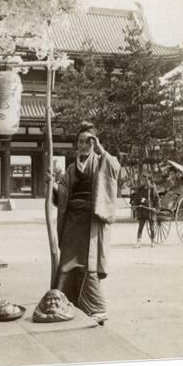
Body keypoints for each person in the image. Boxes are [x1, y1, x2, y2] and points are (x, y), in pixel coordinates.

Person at [48, 121, 120, 327]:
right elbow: (61, 195)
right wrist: (51, 186)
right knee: (67, 264)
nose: (83, 146)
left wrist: (102, 150)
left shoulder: (101, 161)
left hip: (90, 221)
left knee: (88, 266)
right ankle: (65, 302)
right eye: (80, 142)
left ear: (94, 144)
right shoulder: (71, 168)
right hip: (72, 221)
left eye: (88, 142)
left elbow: (115, 169)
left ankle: (97, 308)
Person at [130, 174, 160, 248]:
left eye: (144, 180)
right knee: (140, 227)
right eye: (142, 180)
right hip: (142, 210)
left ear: (148, 180)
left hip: (150, 210)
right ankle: (138, 242)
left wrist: (155, 208)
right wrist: (134, 205)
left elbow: (157, 199)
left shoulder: (152, 189)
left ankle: (153, 241)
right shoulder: (140, 189)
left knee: (152, 227)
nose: (143, 181)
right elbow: (136, 198)